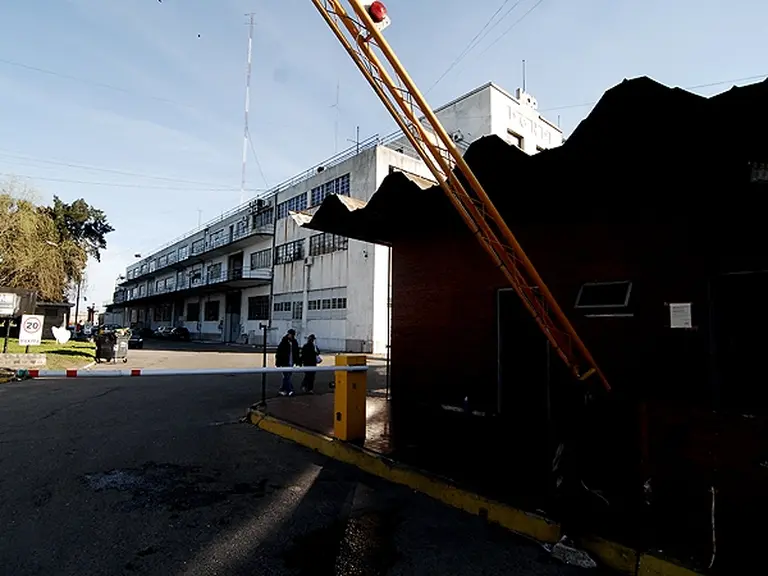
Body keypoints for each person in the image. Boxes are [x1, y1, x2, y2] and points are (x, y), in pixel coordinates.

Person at [276, 329, 300, 396]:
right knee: (287, 376)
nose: (289, 335)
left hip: (291, 362)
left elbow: (296, 353)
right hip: (285, 362)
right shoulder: (284, 342)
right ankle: (290, 390)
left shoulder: (294, 342)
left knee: (287, 376)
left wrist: (298, 361)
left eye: (291, 334)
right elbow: (279, 352)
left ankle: (282, 389)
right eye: (289, 334)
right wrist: (278, 362)